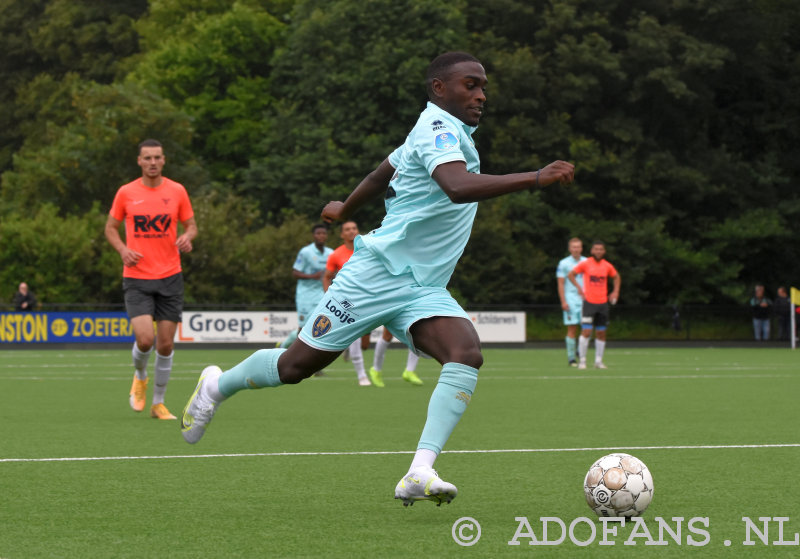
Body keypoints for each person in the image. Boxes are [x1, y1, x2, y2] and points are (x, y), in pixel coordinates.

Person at [180, 51, 575, 506]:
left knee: (465, 352)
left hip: (423, 287)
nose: (481, 95)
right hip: (374, 276)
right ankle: (216, 385)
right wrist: (536, 178)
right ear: (439, 88)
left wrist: (344, 209)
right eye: (470, 85)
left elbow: (382, 172)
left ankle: (419, 471)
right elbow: (458, 187)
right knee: (293, 368)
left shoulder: (436, 130)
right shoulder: (438, 130)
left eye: (483, 86)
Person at [105, 139, 197, 420]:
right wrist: (122, 249)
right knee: (145, 340)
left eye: (157, 157)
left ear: (164, 160)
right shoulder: (126, 193)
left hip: (170, 275)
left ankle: (158, 404)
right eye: (147, 158)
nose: (153, 162)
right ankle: (140, 376)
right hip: (137, 277)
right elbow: (110, 228)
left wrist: (187, 237)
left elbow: (191, 225)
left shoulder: (177, 190)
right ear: (139, 161)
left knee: (166, 345)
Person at [323, 220, 371, 386]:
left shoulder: (367, 249)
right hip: (347, 302)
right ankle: (362, 376)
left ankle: (348, 347)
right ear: (342, 234)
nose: (351, 231)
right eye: (347, 229)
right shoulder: (336, 255)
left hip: (368, 299)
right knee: (356, 338)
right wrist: (329, 296)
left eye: (354, 228)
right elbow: (327, 277)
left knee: (365, 344)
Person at [278, 224, 333, 350]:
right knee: (303, 328)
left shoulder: (331, 253)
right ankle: (286, 349)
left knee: (317, 325)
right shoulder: (306, 252)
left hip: (321, 293)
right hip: (305, 294)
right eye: (318, 233)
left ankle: (308, 359)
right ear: (314, 235)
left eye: (324, 233)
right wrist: (312, 276)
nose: (321, 236)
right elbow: (295, 273)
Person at [567, 241, 620, 370]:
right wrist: (579, 288)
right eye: (596, 249)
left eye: (601, 249)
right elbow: (571, 274)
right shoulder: (585, 264)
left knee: (601, 332)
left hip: (602, 303)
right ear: (592, 251)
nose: (598, 251)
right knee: (586, 331)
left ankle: (598, 361)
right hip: (589, 303)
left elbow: (617, 277)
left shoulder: (607, 266)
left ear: (604, 251)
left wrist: (615, 292)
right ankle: (583, 361)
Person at [556, 238, 586, 367]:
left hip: (586, 299)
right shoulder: (564, 263)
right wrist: (563, 300)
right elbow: (561, 283)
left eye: (578, 247)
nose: (576, 249)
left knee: (587, 328)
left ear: (581, 248)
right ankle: (571, 358)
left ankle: (580, 350)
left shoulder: (587, 262)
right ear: (569, 248)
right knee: (572, 328)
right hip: (570, 299)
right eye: (573, 247)